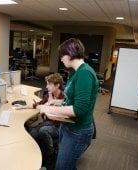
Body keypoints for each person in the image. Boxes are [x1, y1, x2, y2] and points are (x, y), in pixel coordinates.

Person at [37, 38, 99, 170]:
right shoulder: (74, 72)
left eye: (62, 55)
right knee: (65, 165)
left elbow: (79, 109)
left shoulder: (84, 73)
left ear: (70, 54)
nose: (60, 59)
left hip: (79, 130)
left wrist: (48, 108)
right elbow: (71, 99)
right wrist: (58, 102)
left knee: (62, 166)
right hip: (67, 125)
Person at [13, 73, 65, 170]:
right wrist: (22, 107)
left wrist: (50, 103)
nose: (46, 86)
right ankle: (35, 160)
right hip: (49, 122)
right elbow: (38, 104)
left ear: (57, 85)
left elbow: (57, 116)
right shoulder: (51, 94)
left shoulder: (64, 97)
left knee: (43, 131)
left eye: (49, 84)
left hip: (59, 126)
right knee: (32, 134)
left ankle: (50, 158)